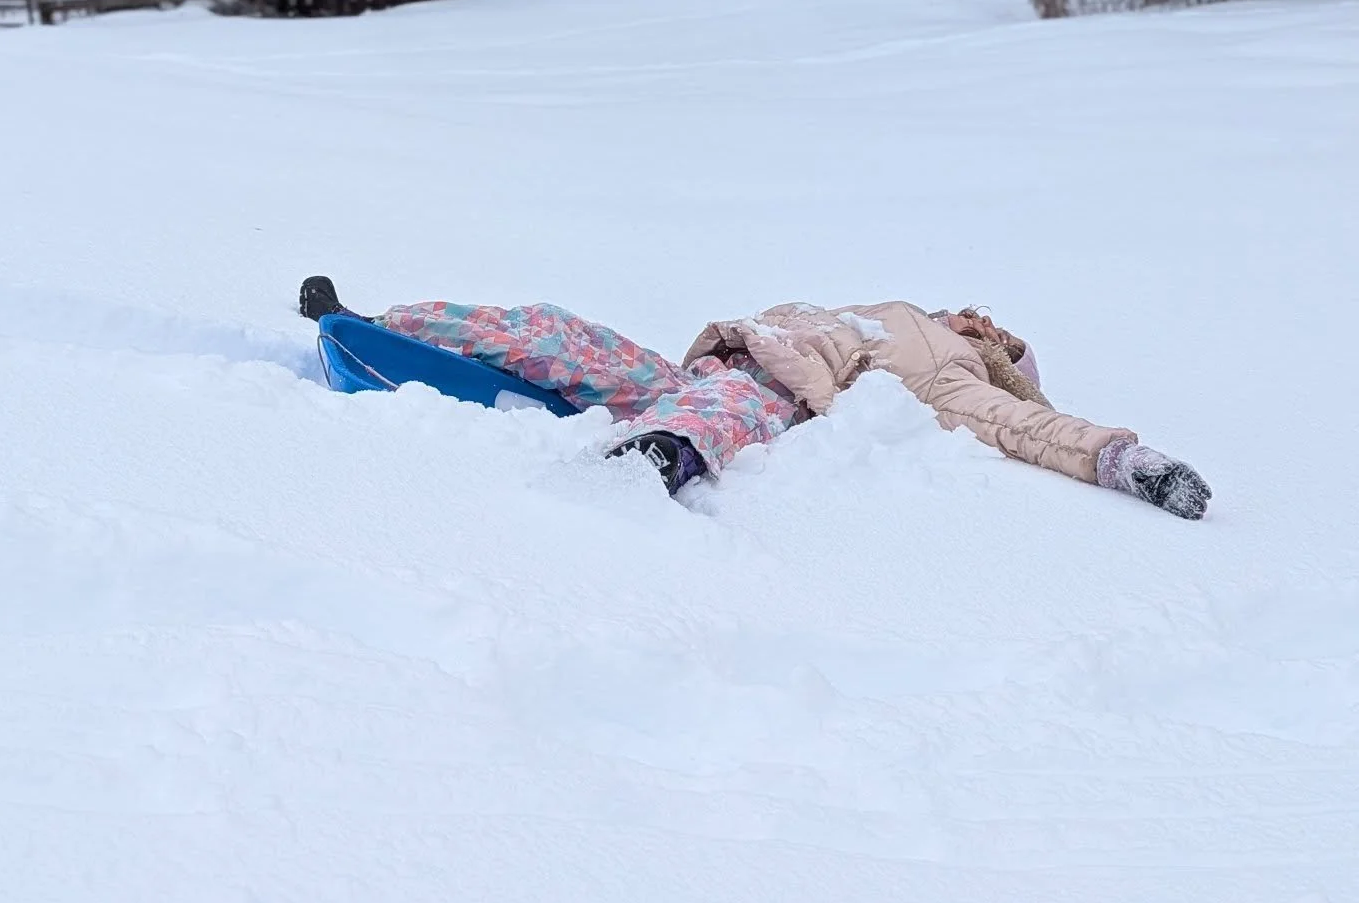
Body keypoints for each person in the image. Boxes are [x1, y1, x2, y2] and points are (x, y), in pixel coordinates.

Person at [299, 277, 1211, 519]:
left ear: (1000, 353)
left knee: (723, 413)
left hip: (773, 393)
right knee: (554, 330)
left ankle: (653, 461)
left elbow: (1033, 429)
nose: (980, 316)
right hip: (716, 359)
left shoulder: (954, 376)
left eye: (995, 327)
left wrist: (1129, 461)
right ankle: (383, 321)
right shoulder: (898, 308)